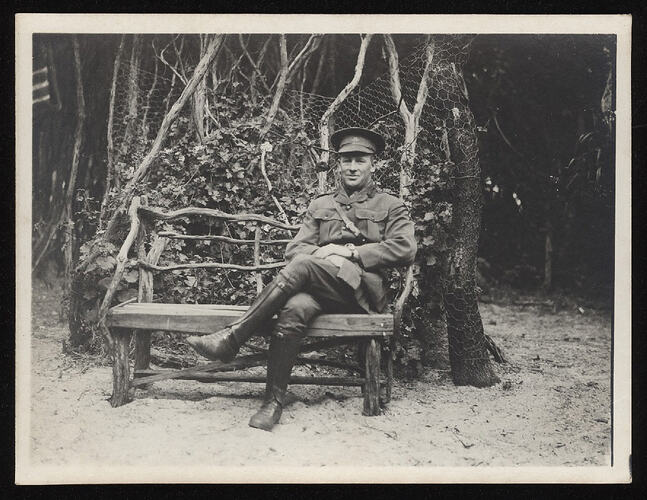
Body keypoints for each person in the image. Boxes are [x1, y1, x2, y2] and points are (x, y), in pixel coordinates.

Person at [186, 127, 417, 431]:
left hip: (360, 295)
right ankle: (272, 403)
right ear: (338, 164)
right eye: (346, 159)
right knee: (294, 308)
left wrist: (349, 253)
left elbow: (404, 248)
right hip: (322, 288)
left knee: (305, 266)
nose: (351, 166)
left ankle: (233, 338)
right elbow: (296, 248)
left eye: (360, 160)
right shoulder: (321, 205)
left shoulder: (389, 205)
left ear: (373, 164)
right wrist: (326, 256)